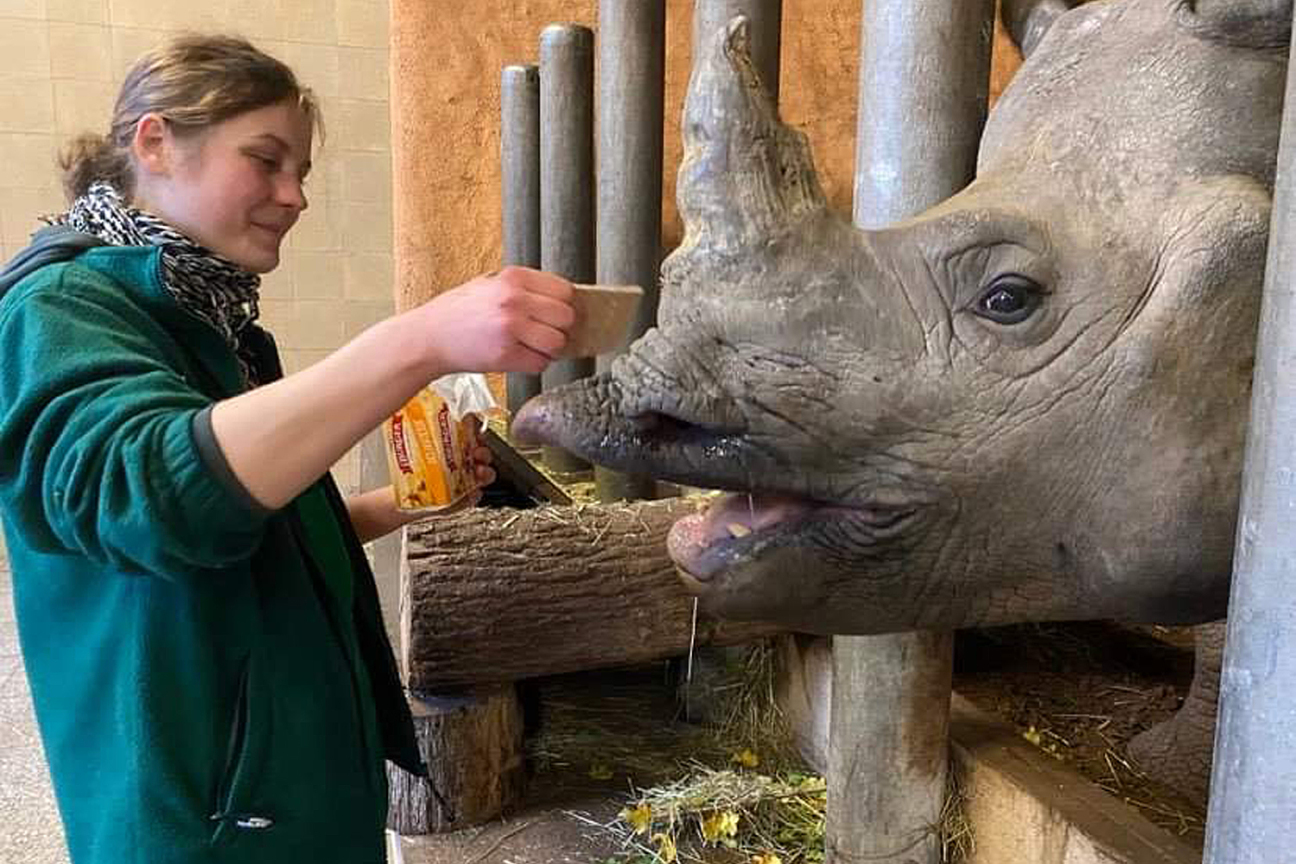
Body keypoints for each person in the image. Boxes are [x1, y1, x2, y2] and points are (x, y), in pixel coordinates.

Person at [0, 34, 575, 864]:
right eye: (265, 160)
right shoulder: (58, 307)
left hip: (287, 782)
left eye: (300, 171)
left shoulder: (216, 315)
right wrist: (417, 341)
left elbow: (256, 531)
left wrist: (397, 506)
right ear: (155, 143)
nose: (294, 196)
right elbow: (155, 496)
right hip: (200, 813)